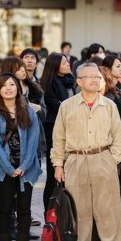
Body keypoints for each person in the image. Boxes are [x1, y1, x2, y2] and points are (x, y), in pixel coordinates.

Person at [51, 62, 121, 241]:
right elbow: (58, 138)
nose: (94, 80)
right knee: (79, 212)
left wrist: (112, 160)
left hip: (103, 159)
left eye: (96, 77)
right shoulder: (67, 106)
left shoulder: (109, 105)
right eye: (89, 77)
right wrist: (58, 165)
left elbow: (118, 135)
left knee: (108, 211)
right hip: (76, 161)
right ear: (79, 81)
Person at [0, 73, 42, 241]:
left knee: (25, 208)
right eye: (4, 86)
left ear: (17, 88)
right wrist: (10, 169)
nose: (8, 88)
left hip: (27, 168)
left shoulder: (28, 111)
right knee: (5, 207)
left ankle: (23, 238)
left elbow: (34, 141)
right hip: (5, 169)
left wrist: (23, 167)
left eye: (12, 85)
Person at [40, 52, 75, 212]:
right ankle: (50, 213)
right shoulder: (49, 84)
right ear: (55, 66)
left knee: (69, 176)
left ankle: (64, 214)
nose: (68, 64)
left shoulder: (70, 82)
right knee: (53, 175)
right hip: (54, 132)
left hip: (72, 133)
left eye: (67, 62)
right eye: (64, 62)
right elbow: (59, 107)